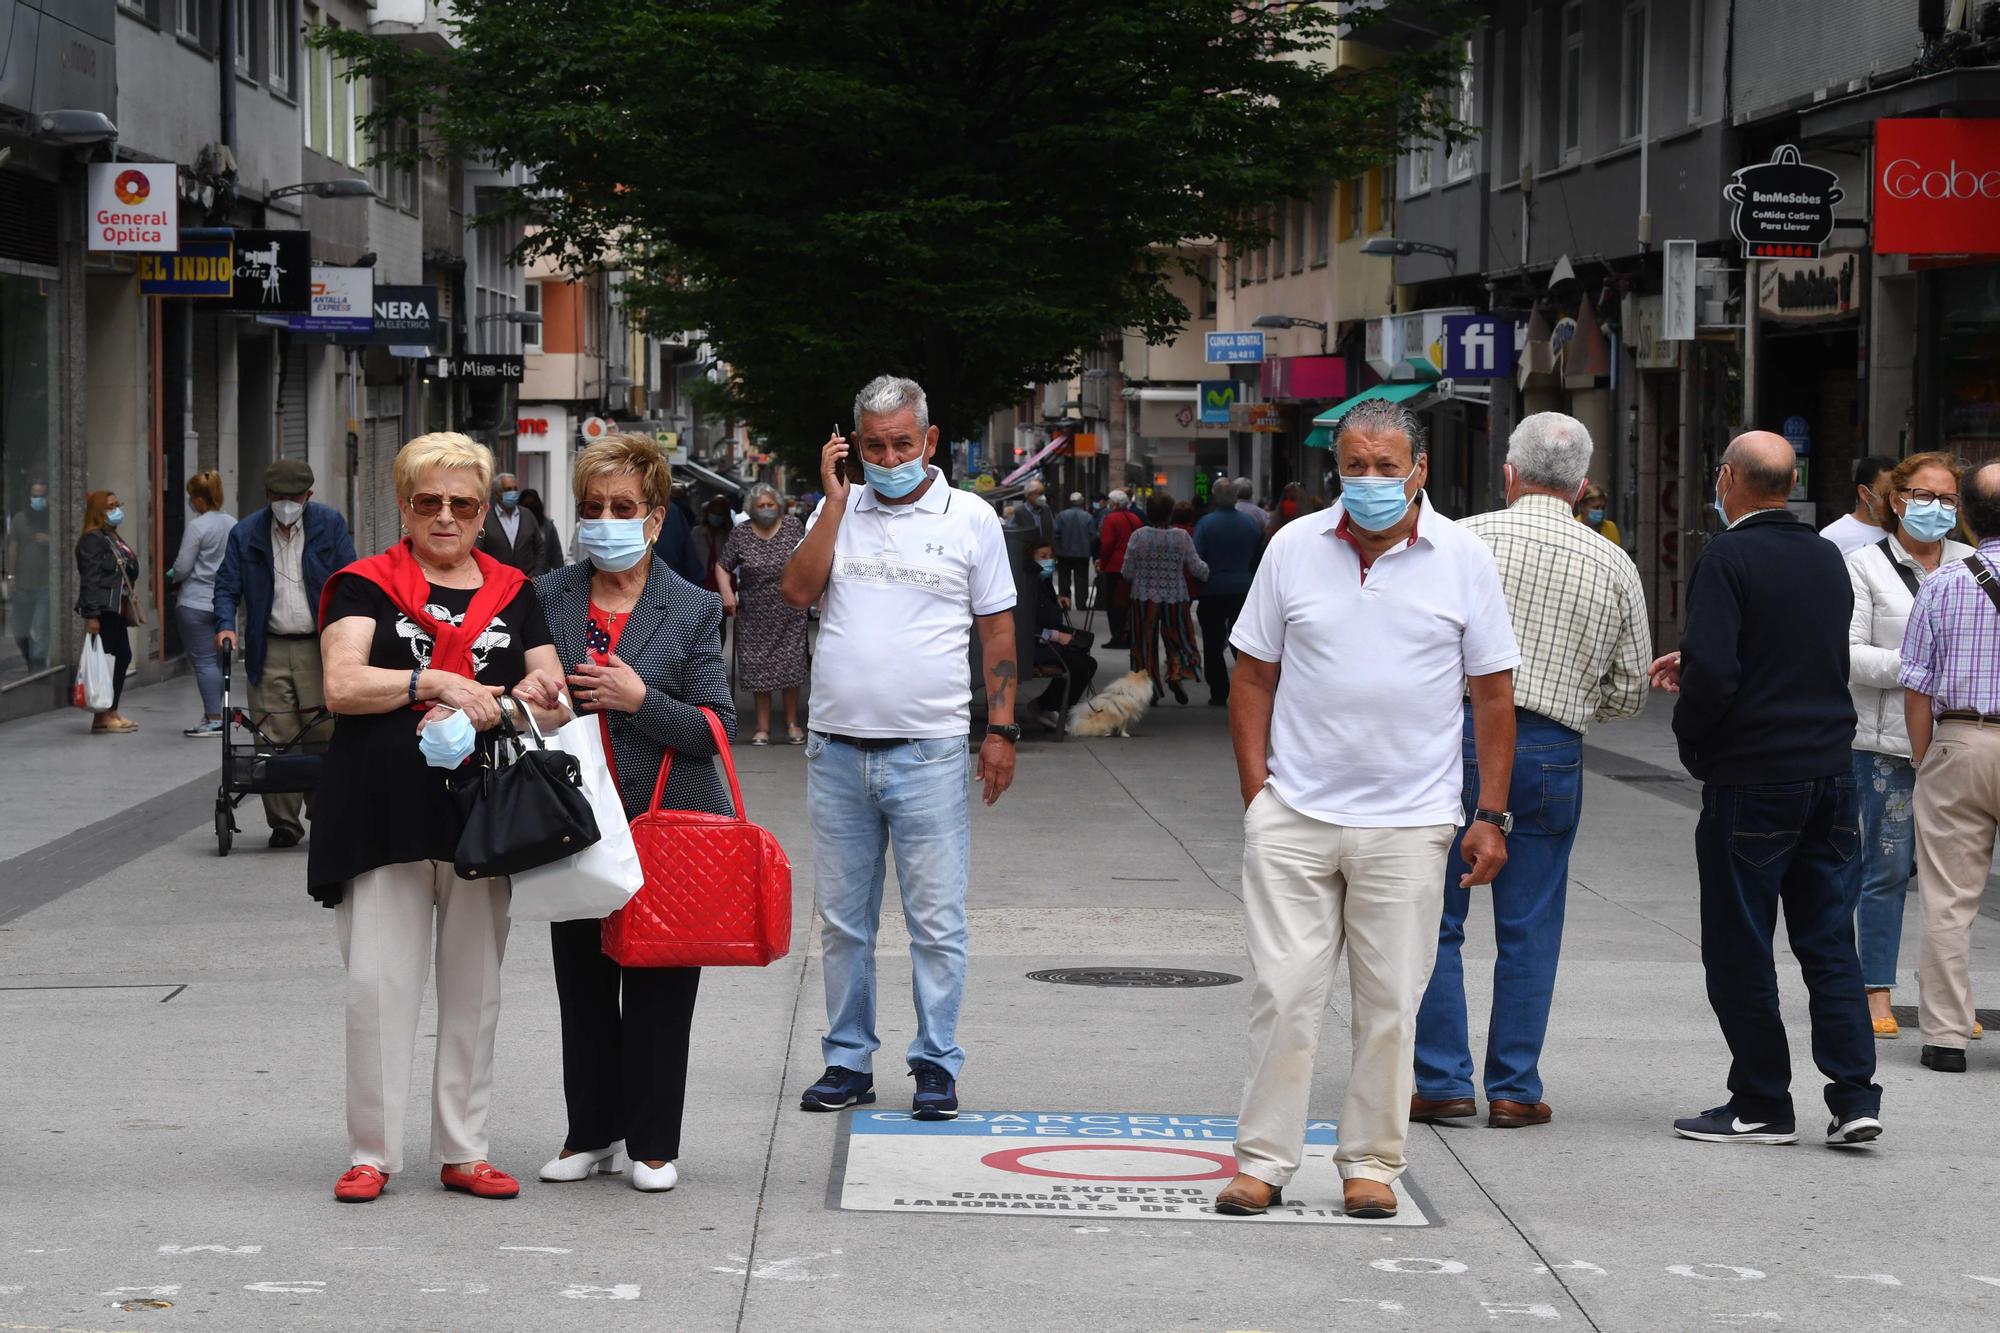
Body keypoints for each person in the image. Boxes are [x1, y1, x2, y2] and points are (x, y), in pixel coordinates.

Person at [1216, 397, 1520, 1221]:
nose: (1372, 480)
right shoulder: (1292, 548)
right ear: (1337, 469)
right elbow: (1252, 676)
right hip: (1296, 816)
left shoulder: (1464, 558)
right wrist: (1259, 796)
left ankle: (1372, 1162)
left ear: (1419, 471)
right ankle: (1264, 1161)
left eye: (1389, 467)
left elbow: (1493, 696)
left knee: (1391, 1002)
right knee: (1283, 993)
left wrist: (1490, 812)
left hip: (1411, 821)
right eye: (1357, 465)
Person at [309, 431, 569, 1205]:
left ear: (486, 510)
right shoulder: (362, 584)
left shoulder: (516, 590)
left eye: (462, 502)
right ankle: (372, 1150)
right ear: (404, 507)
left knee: (474, 988)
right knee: (376, 987)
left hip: (483, 816)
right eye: (430, 502)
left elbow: (549, 695)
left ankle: (464, 1147)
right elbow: (342, 684)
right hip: (381, 813)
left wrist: (523, 702)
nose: (446, 516)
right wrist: (439, 683)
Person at [780, 375, 1018, 1122]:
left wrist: (1001, 729)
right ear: (853, 447)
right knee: (844, 921)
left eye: (902, 444)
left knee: (936, 921)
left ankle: (935, 1063)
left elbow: (998, 630)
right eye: (874, 446)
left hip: (929, 753)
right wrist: (836, 499)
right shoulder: (835, 509)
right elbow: (795, 590)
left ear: (930, 442)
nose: (889, 458)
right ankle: (847, 1060)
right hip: (838, 751)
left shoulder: (972, 518)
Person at [1412, 413, 1651, 1131]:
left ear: (1508, 475)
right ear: (1582, 487)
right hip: (1549, 748)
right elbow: (1630, 688)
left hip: (1449, 737)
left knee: (1435, 918)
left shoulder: (1460, 541)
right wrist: (1579, 703)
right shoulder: (1613, 562)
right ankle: (1514, 1086)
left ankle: (1442, 1081)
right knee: (1531, 922)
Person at [1650, 430, 1882, 1148]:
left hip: (1753, 776)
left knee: (1740, 943)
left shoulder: (1729, 555)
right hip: (1830, 772)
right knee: (1827, 940)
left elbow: (1718, 673)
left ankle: (1760, 1100)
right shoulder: (1825, 555)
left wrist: (1695, 739)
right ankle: (1853, 1096)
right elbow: (1805, 649)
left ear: (1728, 480)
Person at [535, 433, 737, 1194]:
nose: (606, 520)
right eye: (593, 508)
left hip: (665, 823)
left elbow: (717, 726)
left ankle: (653, 1142)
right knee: (581, 980)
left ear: (654, 517)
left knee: (657, 983)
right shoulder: (548, 593)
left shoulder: (687, 605)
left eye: (623, 507)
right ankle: (592, 1131)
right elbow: (522, 692)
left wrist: (640, 701)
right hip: (572, 816)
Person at [1843, 453, 1973, 1040]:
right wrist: (1919, 666)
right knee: (1886, 869)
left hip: (1957, 743)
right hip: (1884, 745)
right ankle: (1876, 990)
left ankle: (1949, 999)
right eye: (1926, 496)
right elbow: (1846, 654)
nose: (1937, 509)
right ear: (1897, 500)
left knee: (1956, 880)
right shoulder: (1863, 566)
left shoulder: (1976, 566)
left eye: (1949, 500)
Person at [1900, 462, 2000, 1075]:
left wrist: (1924, 759)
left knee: (1947, 898)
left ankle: (1944, 1038)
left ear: (1965, 514)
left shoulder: (1942, 583)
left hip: (1960, 740)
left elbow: (1916, 686)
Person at [214, 459, 358, 849]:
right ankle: (284, 824)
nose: (286, 504)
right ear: (267, 496)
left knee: (323, 731)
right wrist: (225, 624)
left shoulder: (329, 524)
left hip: (319, 644)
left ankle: (325, 814)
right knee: (273, 734)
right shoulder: (246, 534)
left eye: (294, 498)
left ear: (308, 497)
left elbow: (351, 578)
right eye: (279, 497)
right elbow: (226, 586)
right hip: (270, 644)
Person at [717, 482, 809, 745]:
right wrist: (727, 593)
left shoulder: (793, 527)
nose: (767, 510)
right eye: (761, 506)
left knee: (791, 668)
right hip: (754, 614)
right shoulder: (742, 534)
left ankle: (792, 723)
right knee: (759, 672)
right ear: (751, 509)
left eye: (770, 505)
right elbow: (723, 566)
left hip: (790, 611)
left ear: (779, 505)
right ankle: (762, 727)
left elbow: (809, 558)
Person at [168, 470, 236, 737]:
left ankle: (214, 717)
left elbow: (183, 566)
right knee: (218, 662)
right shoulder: (232, 523)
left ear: (198, 499)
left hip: (195, 601)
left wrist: (172, 576)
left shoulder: (198, 526)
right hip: (223, 603)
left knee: (204, 662)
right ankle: (215, 712)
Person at [1123, 492, 1208, 705]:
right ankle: (1175, 674)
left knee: (1144, 642)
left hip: (1143, 597)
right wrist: (1208, 571)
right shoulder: (1181, 536)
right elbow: (1197, 567)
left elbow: (1127, 571)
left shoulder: (1139, 536)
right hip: (1175, 596)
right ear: (1170, 513)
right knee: (1178, 639)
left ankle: (1148, 684)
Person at [73, 489, 141, 734]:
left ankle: (111, 710)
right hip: (104, 609)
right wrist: (91, 614)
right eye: (110, 507)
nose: (116, 510)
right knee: (113, 658)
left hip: (117, 607)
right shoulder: (93, 539)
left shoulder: (110, 536)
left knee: (121, 657)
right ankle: (102, 715)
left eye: (117, 504)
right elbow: (89, 579)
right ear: (98, 512)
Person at [1192, 479, 1261, 708]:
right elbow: (1258, 555)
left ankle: (1219, 690)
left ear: (1214, 496)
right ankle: (1248, 682)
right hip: (1243, 588)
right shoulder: (1250, 524)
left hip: (1213, 588)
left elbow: (1197, 557)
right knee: (1242, 638)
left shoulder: (1205, 524)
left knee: (1212, 642)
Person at [1024, 536, 1097, 731]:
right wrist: (1056, 636)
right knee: (1081, 664)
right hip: (1034, 644)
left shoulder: (1043, 581)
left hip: (1046, 639)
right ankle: (1048, 706)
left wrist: (1056, 601)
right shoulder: (1028, 585)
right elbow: (1026, 624)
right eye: (1042, 556)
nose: (1048, 560)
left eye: (1050, 556)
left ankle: (1049, 705)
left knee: (1085, 655)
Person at [7, 479, 51, 671]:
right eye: (35, 495)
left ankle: (38, 665)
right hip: (23, 584)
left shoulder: (52, 519)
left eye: (42, 495)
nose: (38, 499)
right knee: (19, 630)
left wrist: (50, 540)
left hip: (45, 585)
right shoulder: (19, 519)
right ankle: (31, 659)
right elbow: (13, 548)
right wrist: (11, 577)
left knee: (41, 629)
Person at [1096, 489, 1143, 649]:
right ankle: (1129, 635)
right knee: (1129, 604)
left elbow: (1107, 544)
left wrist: (1102, 562)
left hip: (1115, 567)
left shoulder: (1111, 519)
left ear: (1114, 504)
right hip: (1134, 567)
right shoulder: (1135, 518)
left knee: (1114, 604)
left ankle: (1117, 637)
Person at [1821, 456, 1897, 555]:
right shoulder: (1832, 537)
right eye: (1886, 495)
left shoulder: (1905, 533)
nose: (1893, 502)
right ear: (1864, 493)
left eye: (1897, 495)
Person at [478, 471, 550, 575]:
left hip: (526, 581)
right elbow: (479, 551)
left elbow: (540, 549)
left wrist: (536, 575)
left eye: (515, 489)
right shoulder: (486, 518)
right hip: (497, 581)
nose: (513, 493)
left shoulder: (527, 515)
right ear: (497, 493)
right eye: (508, 489)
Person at [1053, 491, 1094, 607]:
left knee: (1064, 579)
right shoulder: (1088, 517)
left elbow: (1056, 533)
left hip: (1064, 553)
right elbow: (1093, 535)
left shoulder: (1061, 515)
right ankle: (1081, 603)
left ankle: (1066, 602)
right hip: (1082, 553)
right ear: (1082, 502)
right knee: (1081, 579)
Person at [517, 487, 566, 572]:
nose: (530, 509)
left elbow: (557, 558)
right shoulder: (515, 526)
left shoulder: (548, 526)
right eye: (526, 505)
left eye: (532, 504)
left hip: (543, 579)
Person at [1008, 478, 1056, 548]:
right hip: (1027, 553)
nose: (1043, 497)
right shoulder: (1019, 512)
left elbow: (1052, 529)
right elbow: (1012, 534)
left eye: (1043, 493)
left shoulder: (1046, 509)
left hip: (1045, 552)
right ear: (1029, 495)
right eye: (1039, 494)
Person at [1574, 483, 1621, 547]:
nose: (1600, 511)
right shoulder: (1574, 527)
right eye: (1596, 507)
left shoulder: (1610, 527)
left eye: (1603, 508)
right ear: (1582, 507)